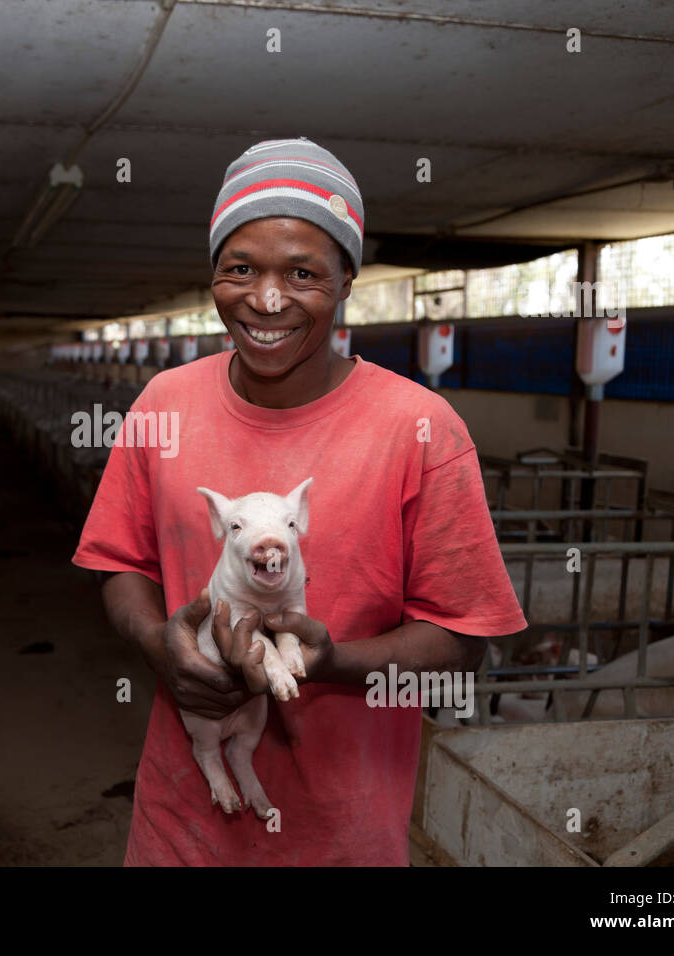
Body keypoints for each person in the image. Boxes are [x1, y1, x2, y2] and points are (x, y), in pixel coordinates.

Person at [72, 138, 526, 866]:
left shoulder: (421, 429)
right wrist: (156, 642)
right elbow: (119, 564)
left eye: (304, 272)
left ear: (347, 279)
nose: (269, 298)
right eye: (241, 268)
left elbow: (463, 639)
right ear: (214, 274)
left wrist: (330, 662)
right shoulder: (163, 404)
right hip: (180, 826)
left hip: (343, 833)